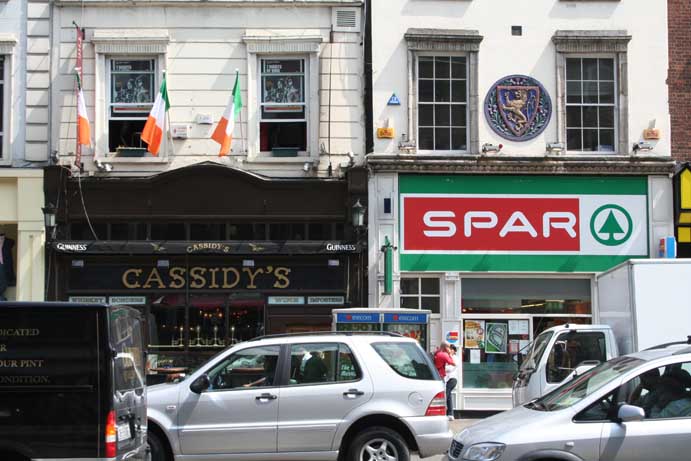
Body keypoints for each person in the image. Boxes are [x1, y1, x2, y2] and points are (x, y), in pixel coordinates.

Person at [434, 341, 456, 420]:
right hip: (440, 377)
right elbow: (453, 363)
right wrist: (449, 354)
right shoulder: (443, 354)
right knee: (444, 395)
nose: (449, 349)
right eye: (448, 347)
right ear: (445, 347)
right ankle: (442, 413)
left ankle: (448, 413)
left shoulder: (437, 352)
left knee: (446, 394)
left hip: (438, 375)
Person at [445, 345, 458, 420]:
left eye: (451, 349)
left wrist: (443, 367)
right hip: (447, 379)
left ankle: (442, 412)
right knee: (448, 396)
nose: (449, 351)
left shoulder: (455, 358)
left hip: (452, 379)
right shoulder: (448, 357)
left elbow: (450, 369)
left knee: (446, 395)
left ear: (454, 351)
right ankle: (450, 414)